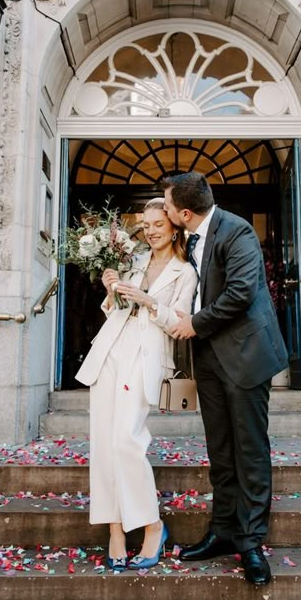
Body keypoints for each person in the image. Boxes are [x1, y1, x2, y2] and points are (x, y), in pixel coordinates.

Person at [163, 172, 288, 586]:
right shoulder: (189, 237)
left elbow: (240, 293)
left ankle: (251, 543)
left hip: (246, 354)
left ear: (184, 211)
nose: (163, 211)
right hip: (210, 358)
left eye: (166, 206)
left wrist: (194, 325)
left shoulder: (237, 231)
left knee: (249, 450)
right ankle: (221, 531)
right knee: (219, 449)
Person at [75, 198, 197, 571]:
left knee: (127, 442)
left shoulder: (185, 272)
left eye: (158, 223)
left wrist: (148, 301)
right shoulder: (134, 261)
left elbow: (181, 323)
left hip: (144, 358)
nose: (151, 230)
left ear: (175, 225)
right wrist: (112, 288)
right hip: (110, 351)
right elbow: (114, 310)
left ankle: (153, 525)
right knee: (106, 443)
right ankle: (115, 530)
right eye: (145, 224)